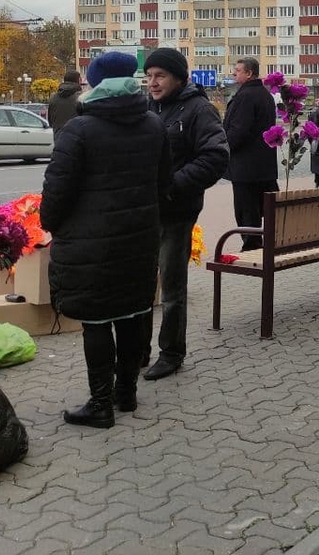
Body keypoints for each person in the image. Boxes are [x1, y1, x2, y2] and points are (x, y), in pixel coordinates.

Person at [41, 52, 171, 428]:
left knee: (97, 320)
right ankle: (126, 393)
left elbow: (57, 191)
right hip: (139, 239)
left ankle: (100, 404)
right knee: (131, 315)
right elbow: (164, 183)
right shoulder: (153, 124)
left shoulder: (79, 130)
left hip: (91, 244)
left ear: (96, 83)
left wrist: (52, 225)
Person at [144, 48, 229, 381]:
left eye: (160, 76)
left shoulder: (198, 109)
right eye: (149, 76)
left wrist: (174, 185)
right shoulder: (148, 107)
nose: (153, 82)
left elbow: (215, 157)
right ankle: (138, 351)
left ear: (178, 78)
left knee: (172, 287)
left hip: (176, 211)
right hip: (145, 211)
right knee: (140, 285)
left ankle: (171, 353)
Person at [224, 57, 279, 247]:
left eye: (238, 70)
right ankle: (264, 244)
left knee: (246, 211)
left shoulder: (246, 96)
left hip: (245, 166)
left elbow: (238, 131)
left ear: (249, 73)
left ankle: (251, 247)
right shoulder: (264, 94)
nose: (234, 73)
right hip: (264, 165)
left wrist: (223, 148)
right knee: (263, 208)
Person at [47, 69, 84, 136]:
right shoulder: (81, 98)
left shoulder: (53, 98)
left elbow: (50, 121)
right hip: (77, 136)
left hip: (59, 137)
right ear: (78, 80)